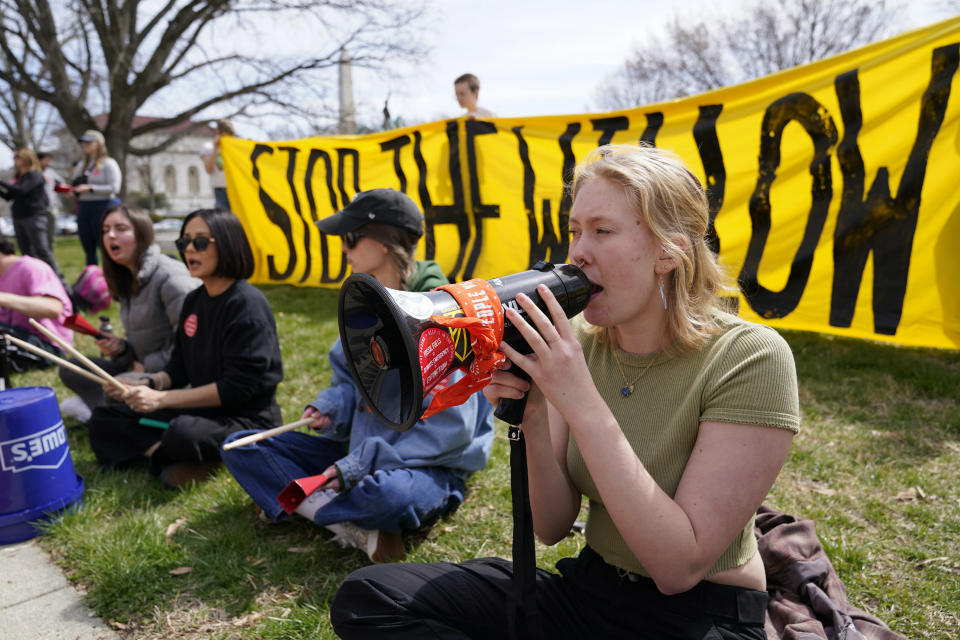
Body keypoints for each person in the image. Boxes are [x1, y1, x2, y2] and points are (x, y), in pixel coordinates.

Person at [330, 145, 801, 639]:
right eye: (576, 231)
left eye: (603, 230)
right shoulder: (582, 346)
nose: (578, 251)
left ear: (670, 251)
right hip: (592, 590)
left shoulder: (752, 358)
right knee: (370, 599)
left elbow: (677, 567)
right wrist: (534, 413)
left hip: (700, 615)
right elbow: (552, 527)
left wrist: (580, 402)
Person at [222, 189, 494, 564]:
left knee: (388, 496)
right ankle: (350, 522)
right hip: (359, 452)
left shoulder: (446, 316)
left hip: (425, 465)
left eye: (350, 238)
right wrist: (330, 407)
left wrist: (355, 467)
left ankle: (305, 499)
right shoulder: (366, 303)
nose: (344, 249)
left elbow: (450, 432)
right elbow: (351, 386)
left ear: (384, 244)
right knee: (243, 445)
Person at [86, 208, 283, 489]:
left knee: (182, 432)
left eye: (200, 242)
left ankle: (191, 459)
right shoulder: (194, 301)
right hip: (203, 411)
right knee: (106, 417)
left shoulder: (246, 305)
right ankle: (164, 456)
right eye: (184, 242)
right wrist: (147, 383)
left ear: (227, 244)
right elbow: (177, 368)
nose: (190, 249)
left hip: (245, 419)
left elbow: (236, 389)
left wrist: (161, 400)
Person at [58, 205, 200, 423]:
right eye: (105, 230)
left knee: (116, 387)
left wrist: (145, 367)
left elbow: (192, 348)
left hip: (170, 378)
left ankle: (100, 413)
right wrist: (123, 349)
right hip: (140, 367)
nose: (110, 235)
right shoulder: (127, 277)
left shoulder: (171, 279)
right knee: (71, 368)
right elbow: (143, 342)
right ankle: (104, 410)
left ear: (142, 234)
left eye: (120, 228)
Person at [0, 238, 73, 372]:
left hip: (47, 345)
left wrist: (3, 298)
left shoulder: (31, 267)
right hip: (11, 337)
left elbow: (53, 308)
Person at [0, 148, 64, 279]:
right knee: (26, 253)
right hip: (19, 217)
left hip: (34, 217)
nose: (15, 160)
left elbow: (22, 191)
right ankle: (33, 279)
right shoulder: (18, 177)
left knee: (42, 251)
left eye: (17, 157)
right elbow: (9, 196)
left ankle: (59, 280)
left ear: (26, 159)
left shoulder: (35, 175)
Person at [69, 129, 122, 265]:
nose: (85, 145)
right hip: (84, 208)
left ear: (99, 144)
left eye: (89, 142)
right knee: (88, 246)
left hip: (103, 207)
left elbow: (114, 188)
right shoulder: (81, 165)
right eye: (83, 143)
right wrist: (72, 191)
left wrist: (91, 188)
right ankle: (92, 279)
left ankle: (112, 278)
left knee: (105, 245)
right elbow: (75, 185)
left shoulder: (108, 163)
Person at [200, 119, 234, 211]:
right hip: (220, 189)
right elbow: (209, 169)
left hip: (235, 187)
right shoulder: (208, 147)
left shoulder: (233, 147)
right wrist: (216, 148)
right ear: (218, 132)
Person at [37, 152, 64, 251]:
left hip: (51, 208)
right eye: (46, 160)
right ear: (39, 160)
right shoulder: (33, 172)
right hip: (37, 210)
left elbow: (61, 183)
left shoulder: (50, 172)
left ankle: (49, 258)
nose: (49, 162)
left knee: (50, 237)